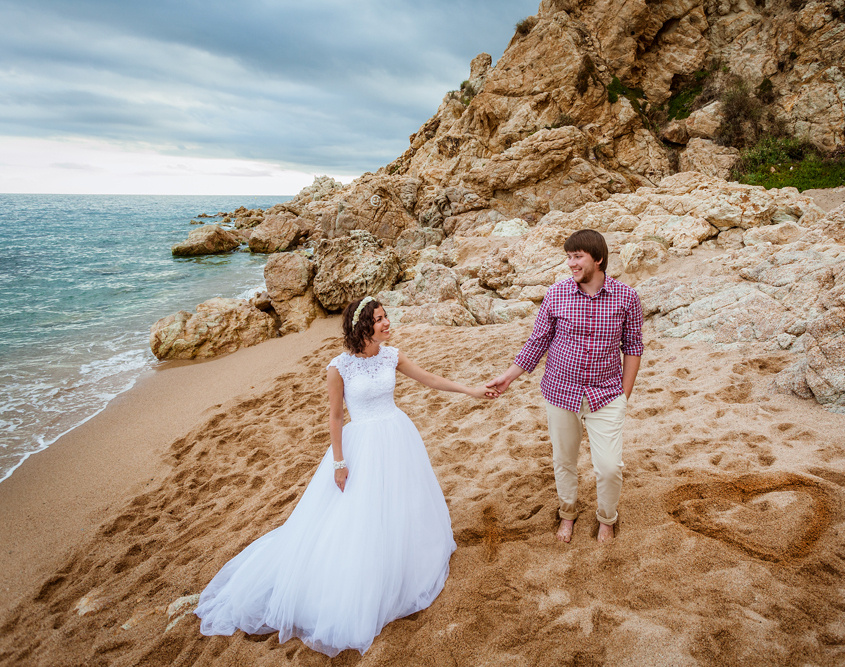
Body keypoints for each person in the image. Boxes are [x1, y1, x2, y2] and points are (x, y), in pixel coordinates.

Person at [195, 296, 496, 657]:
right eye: (380, 319)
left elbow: (430, 379)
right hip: (362, 444)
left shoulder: (392, 355)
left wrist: (472, 390)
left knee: (401, 503)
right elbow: (335, 418)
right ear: (363, 326)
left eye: (386, 316)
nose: (387, 323)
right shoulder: (339, 367)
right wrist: (339, 462)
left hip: (397, 436)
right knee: (359, 514)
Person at [487, 229, 643, 544]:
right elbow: (538, 341)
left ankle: (607, 519)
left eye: (577, 257)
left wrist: (624, 396)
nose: (571, 263)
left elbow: (634, 347)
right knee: (564, 461)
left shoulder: (627, 297)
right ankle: (568, 513)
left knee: (610, 467)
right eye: (569, 257)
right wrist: (508, 376)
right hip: (561, 391)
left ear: (597, 259)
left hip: (607, 394)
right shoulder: (556, 294)